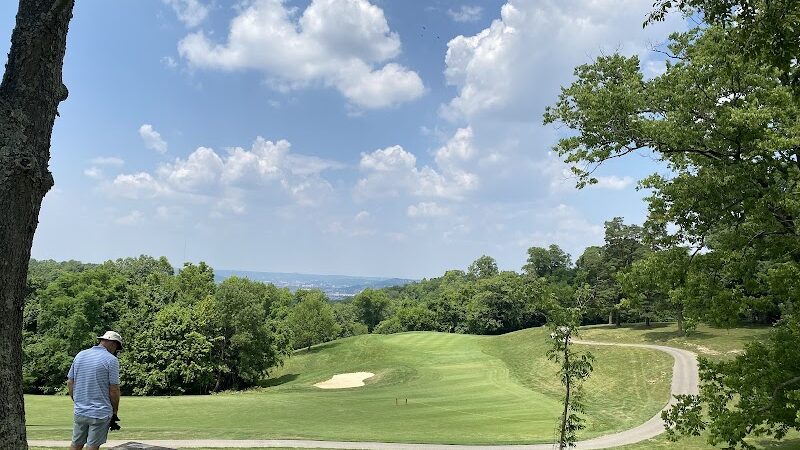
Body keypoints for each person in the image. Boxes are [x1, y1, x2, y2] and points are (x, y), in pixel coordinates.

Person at [67, 331, 122, 450]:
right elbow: (114, 389)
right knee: (92, 446)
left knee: (76, 444)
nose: (116, 351)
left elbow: (70, 382)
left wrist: (76, 400)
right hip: (100, 413)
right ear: (113, 343)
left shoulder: (80, 355)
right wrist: (115, 411)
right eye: (117, 347)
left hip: (80, 411)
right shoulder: (111, 360)